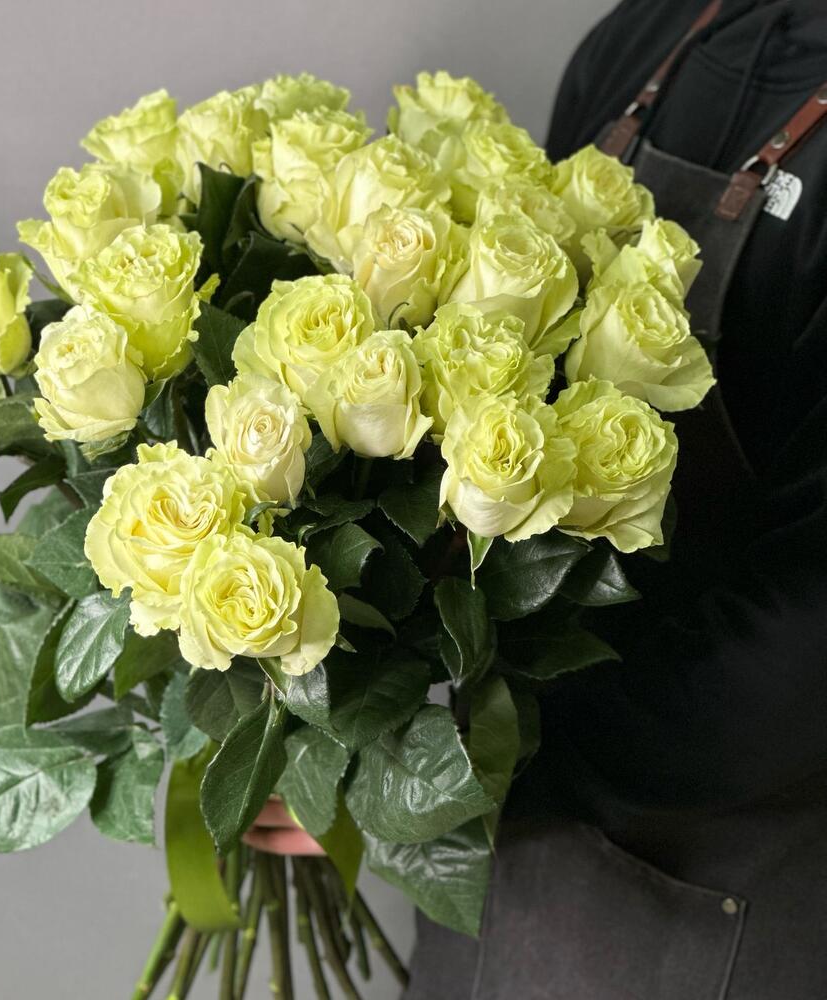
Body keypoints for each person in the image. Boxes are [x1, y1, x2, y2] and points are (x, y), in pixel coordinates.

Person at [249, 2, 827, 996]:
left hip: (718, 881)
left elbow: (806, 647)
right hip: (505, 858)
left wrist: (467, 771)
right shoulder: (642, 36)